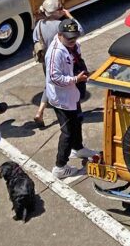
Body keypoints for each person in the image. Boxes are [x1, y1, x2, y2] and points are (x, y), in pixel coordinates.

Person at [45, 19, 97, 179]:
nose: (73, 40)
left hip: (73, 93)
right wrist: (75, 79)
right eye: (69, 38)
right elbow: (54, 78)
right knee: (67, 132)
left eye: (74, 37)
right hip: (62, 99)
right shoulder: (55, 53)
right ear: (59, 35)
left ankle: (78, 148)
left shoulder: (72, 45)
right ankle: (60, 166)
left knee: (77, 121)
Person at [32, 0, 82, 127]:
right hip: (61, 59)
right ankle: (68, 112)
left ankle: (40, 111)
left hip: (46, 60)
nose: (63, 9)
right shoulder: (60, 25)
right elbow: (80, 30)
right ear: (55, 12)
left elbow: (35, 39)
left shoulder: (39, 25)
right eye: (60, 8)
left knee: (48, 83)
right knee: (63, 84)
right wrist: (69, 15)